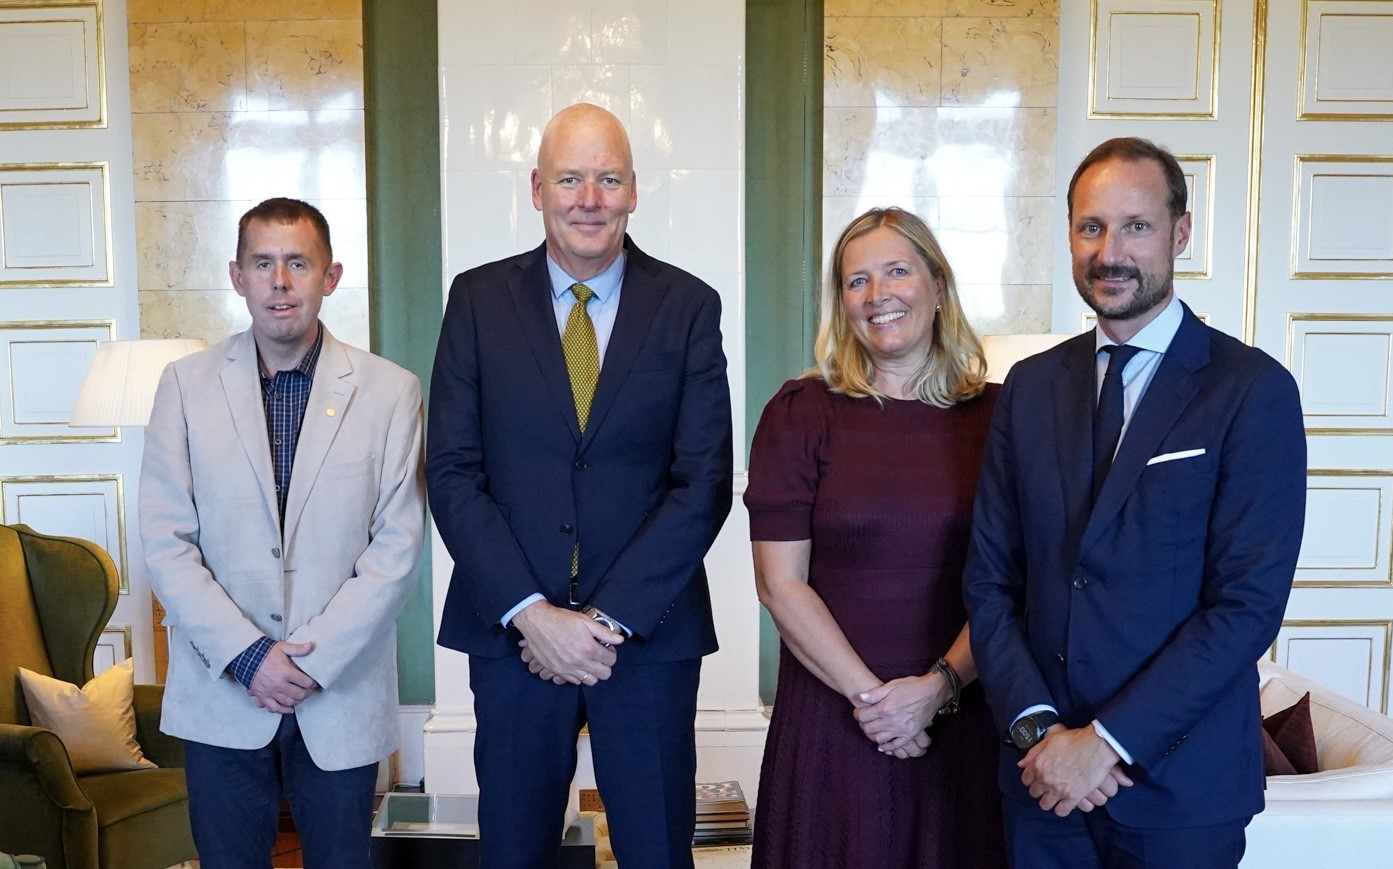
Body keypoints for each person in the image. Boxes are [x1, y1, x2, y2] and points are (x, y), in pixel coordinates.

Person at [963, 137, 1308, 868]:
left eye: (1136, 226)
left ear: (1180, 233)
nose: (1109, 251)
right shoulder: (1027, 386)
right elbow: (990, 580)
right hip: (1040, 781)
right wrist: (1039, 733)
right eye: (1090, 227)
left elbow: (1246, 604)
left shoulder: (1251, 389)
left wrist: (1104, 742)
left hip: (1180, 788)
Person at [427, 102, 733, 869]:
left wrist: (602, 621)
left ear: (634, 190)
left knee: (656, 852)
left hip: (648, 634)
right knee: (513, 851)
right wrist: (533, 615)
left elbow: (702, 481)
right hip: (512, 638)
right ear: (537, 189)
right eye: (569, 179)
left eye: (607, 179)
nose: (588, 199)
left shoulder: (689, 306)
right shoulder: (475, 300)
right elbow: (452, 471)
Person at [140, 197, 426, 868]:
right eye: (263, 263)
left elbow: (397, 547)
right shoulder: (183, 386)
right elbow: (166, 540)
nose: (280, 282)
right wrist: (248, 656)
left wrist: (307, 663)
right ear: (237, 276)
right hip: (221, 690)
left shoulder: (392, 392)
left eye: (298, 263)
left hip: (339, 691)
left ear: (330, 276)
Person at [745, 206, 1007, 867]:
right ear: (841, 303)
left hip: (964, 712)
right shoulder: (800, 413)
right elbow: (779, 584)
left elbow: (1016, 581)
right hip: (832, 714)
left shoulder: (1004, 416)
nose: (877, 294)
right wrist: (876, 703)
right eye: (856, 280)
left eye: (896, 272)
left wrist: (937, 688)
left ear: (938, 285)